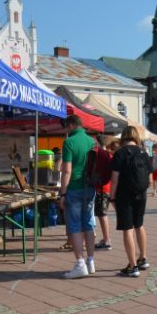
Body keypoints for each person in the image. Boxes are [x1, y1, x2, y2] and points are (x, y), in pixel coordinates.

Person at [57, 114, 97, 279]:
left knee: (74, 226)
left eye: (66, 127)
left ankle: (80, 264)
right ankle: (90, 261)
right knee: (88, 224)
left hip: (74, 188)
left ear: (72, 125)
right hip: (90, 188)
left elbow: (67, 170)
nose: (66, 131)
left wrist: (63, 192)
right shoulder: (91, 141)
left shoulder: (69, 142)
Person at [110, 125, 152, 277]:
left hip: (124, 195)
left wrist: (112, 197)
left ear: (123, 137)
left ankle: (132, 266)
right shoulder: (144, 153)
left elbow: (114, 179)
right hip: (141, 194)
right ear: (136, 137)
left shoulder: (119, 154)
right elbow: (150, 179)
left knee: (127, 228)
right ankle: (143, 258)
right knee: (139, 225)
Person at [93, 137, 118, 251]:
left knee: (102, 214)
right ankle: (106, 239)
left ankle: (107, 240)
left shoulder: (101, 155)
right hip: (107, 187)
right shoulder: (109, 155)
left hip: (102, 188)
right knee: (102, 214)